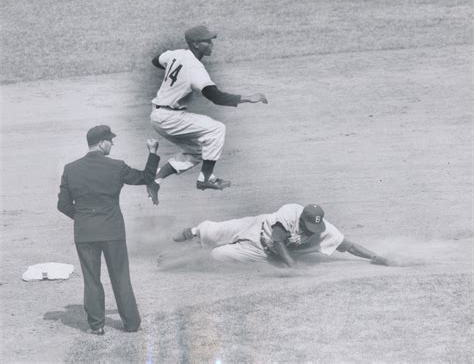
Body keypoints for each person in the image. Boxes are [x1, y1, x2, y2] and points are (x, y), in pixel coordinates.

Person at [146, 25, 268, 205]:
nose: (212, 44)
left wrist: (172, 72)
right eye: (207, 41)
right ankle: (206, 178)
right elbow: (215, 97)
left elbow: (156, 60)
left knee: (197, 152)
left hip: (159, 116)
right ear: (195, 44)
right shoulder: (195, 68)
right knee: (216, 129)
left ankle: (155, 180)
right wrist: (248, 98)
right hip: (169, 118)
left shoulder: (176, 54)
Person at [57, 125, 160, 335]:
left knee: (91, 279)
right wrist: (152, 152)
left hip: (85, 232)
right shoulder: (116, 166)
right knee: (120, 276)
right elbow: (146, 178)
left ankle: (97, 326)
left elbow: (63, 204)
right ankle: (131, 324)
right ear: (102, 142)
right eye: (111, 140)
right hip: (112, 230)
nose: (112, 144)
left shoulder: (70, 168)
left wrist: (84, 216)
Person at [172, 203, 391, 267]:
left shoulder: (325, 230)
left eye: (314, 229)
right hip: (254, 227)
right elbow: (277, 239)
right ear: (301, 218)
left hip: (259, 252)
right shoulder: (290, 212)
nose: (310, 232)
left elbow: (349, 246)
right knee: (211, 231)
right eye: (307, 227)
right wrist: (291, 266)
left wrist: (374, 257)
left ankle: (185, 258)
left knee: (218, 256)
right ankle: (191, 233)